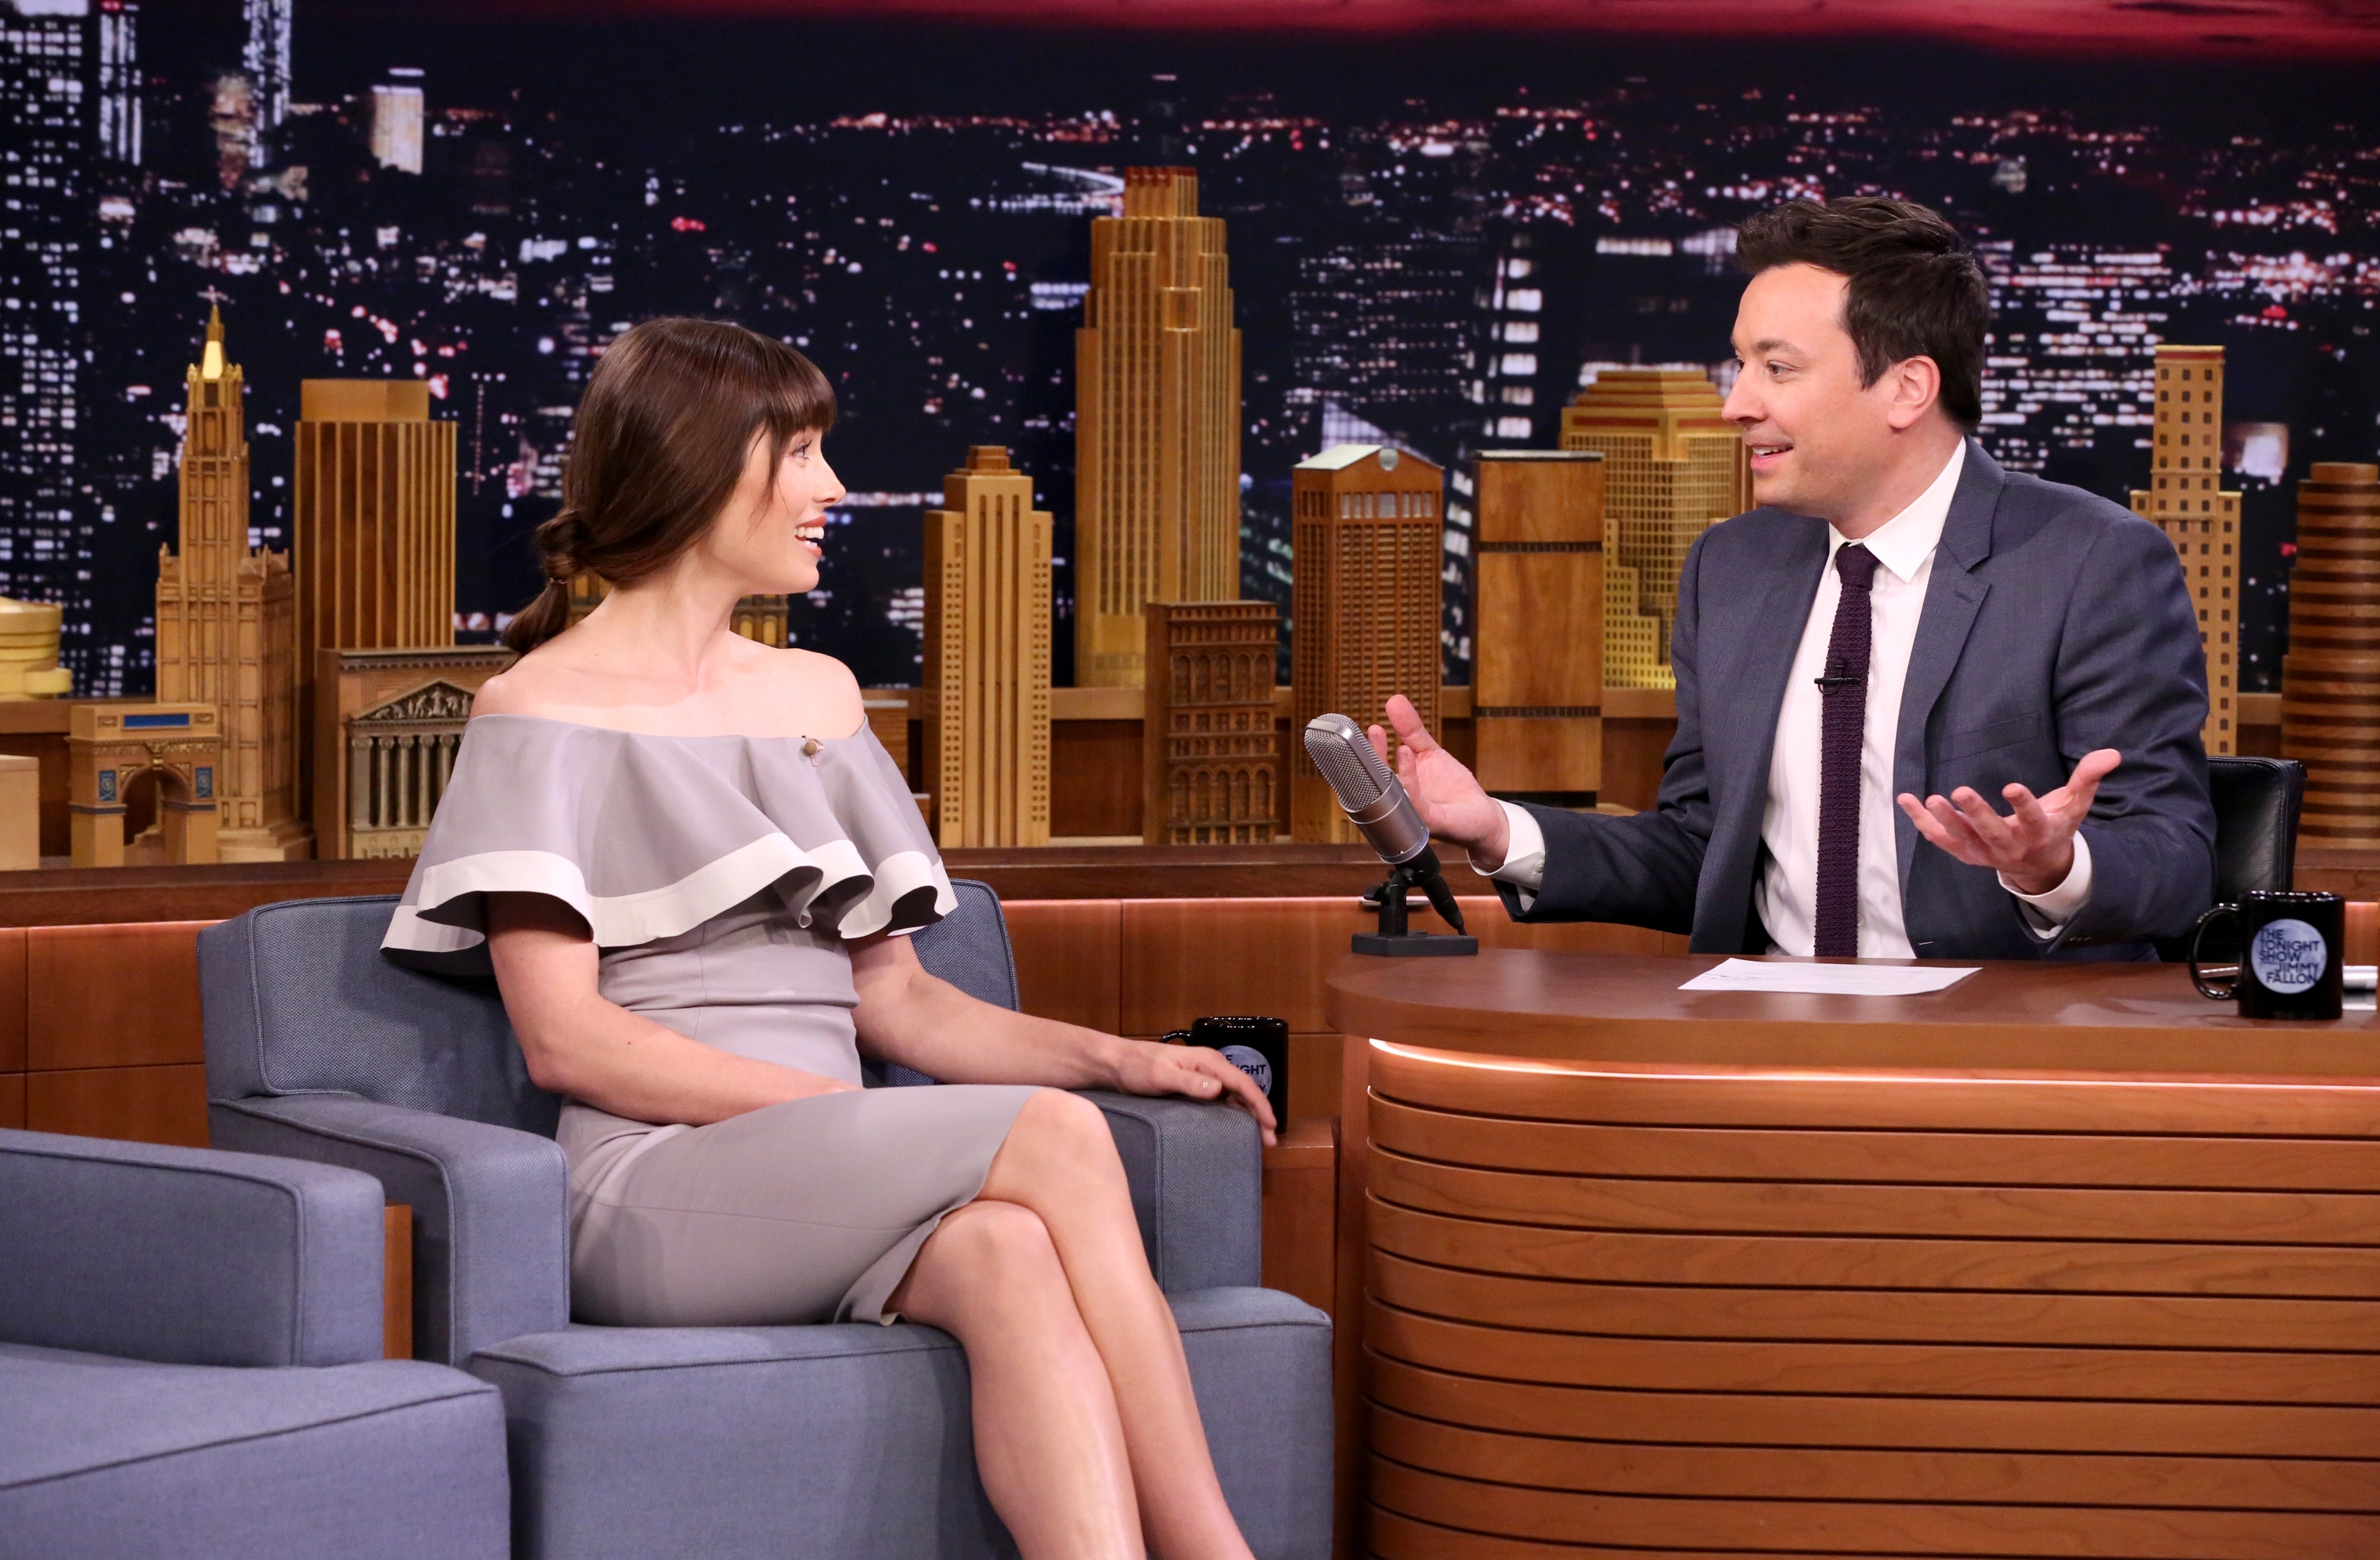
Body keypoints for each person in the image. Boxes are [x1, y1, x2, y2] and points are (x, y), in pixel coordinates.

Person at [380, 317, 1277, 1560]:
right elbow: (568, 1041)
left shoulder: (819, 695)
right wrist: (835, 1113)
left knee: (1008, 1251)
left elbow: (901, 1005)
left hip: (837, 1168)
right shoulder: (537, 711)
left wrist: (1122, 1055)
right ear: (701, 466)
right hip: (656, 1187)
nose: (832, 488)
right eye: (799, 454)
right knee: (1059, 1141)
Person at [1378, 197, 2214, 960]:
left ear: (1907, 388)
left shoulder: (2089, 562)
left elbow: (2175, 859)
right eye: (1739, 365)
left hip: (1993, 1046)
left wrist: (2053, 867)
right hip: (1768, 1035)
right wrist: (1499, 831)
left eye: (1776, 369)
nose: (1736, 404)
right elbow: (1704, 849)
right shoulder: (1731, 568)